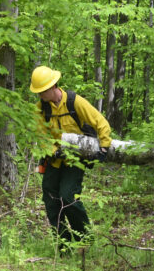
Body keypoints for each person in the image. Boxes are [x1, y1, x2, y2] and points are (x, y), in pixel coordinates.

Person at [29, 65, 111, 252]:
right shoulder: (40, 110)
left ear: (53, 86)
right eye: (38, 92)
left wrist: (104, 147)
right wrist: (52, 150)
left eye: (42, 91)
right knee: (51, 200)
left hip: (76, 160)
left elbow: (101, 122)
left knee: (68, 197)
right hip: (54, 160)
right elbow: (40, 137)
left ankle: (85, 238)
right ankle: (64, 245)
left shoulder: (75, 102)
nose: (40, 95)